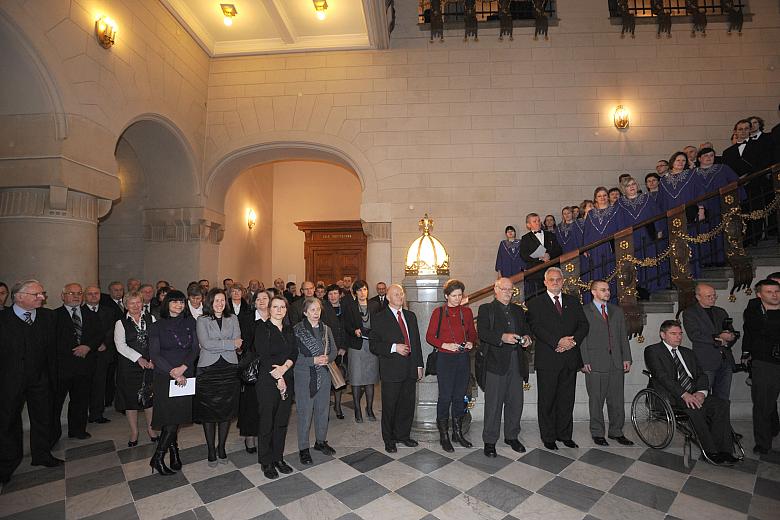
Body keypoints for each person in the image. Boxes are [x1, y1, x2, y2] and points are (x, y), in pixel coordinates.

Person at [644, 320, 738, 465]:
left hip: (694, 393)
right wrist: (684, 394)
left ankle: (725, 450)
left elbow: (701, 374)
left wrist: (702, 392)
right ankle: (711, 451)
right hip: (671, 395)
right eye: (673, 334)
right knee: (695, 409)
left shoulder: (688, 352)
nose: (678, 337)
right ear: (663, 335)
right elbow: (663, 377)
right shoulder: (652, 351)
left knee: (721, 404)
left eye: (680, 334)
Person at [0, 280, 62, 485]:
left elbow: (52, 350)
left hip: (40, 378)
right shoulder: (3, 319)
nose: (42, 298)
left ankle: (42, 454)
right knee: (9, 421)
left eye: (41, 294)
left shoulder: (48, 316)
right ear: (19, 297)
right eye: (36, 295)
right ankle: (8, 462)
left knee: (43, 416)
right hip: (10, 381)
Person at [527, 268, 589, 450]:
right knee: (547, 399)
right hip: (548, 358)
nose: (555, 282)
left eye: (558, 279)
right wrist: (557, 341)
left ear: (563, 281)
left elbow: (584, 325)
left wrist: (572, 341)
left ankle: (565, 435)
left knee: (566, 398)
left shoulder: (573, 301)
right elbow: (536, 327)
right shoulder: (535, 303)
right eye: (551, 280)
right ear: (545, 282)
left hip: (570, 357)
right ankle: (548, 436)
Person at [477, 278, 532, 457]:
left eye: (511, 290)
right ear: (496, 289)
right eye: (504, 289)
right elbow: (483, 333)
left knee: (516, 402)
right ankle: (490, 441)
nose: (508, 292)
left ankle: (512, 436)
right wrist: (502, 337)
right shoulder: (486, 309)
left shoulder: (518, 310)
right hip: (495, 363)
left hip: (517, 362)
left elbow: (526, 329)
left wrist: (527, 338)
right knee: (493, 404)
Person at [148, 290, 199, 476]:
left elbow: (195, 349)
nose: (179, 305)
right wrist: (173, 372)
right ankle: (159, 457)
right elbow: (154, 354)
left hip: (186, 374)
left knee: (177, 417)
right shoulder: (157, 325)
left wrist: (183, 368)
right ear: (166, 304)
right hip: (165, 375)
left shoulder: (190, 322)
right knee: (170, 418)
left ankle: (174, 452)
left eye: (181, 302)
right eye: (174, 302)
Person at [370, 284, 424, 453]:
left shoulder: (410, 316)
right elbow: (374, 345)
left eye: (401, 293)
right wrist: (394, 347)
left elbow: (416, 342)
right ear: (387, 297)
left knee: (407, 404)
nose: (400, 296)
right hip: (391, 369)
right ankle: (389, 439)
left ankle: (403, 435)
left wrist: (419, 364)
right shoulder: (379, 317)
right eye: (396, 294)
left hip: (410, 367)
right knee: (390, 406)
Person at [427, 279, 478, 452]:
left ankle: (457, 432)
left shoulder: (467, 312)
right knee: (445, 397)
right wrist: (445, 345)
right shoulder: (439, 312)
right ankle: (444, 435)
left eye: (459, 295)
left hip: (463, 358)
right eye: (454, 295)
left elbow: (472, 333)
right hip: (445, 359)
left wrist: (471, 342)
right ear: (446, 296)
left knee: (459, 396)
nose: (457, 299)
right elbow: (430, 336)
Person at [580, 281, 633, 446]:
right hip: (595, 363)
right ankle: (597, 433)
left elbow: (623, 336)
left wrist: (627, 358)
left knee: (617, 400)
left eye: (609, 289)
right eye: (603, 290)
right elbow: (581, 339)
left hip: (616, 361)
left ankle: (616, 431)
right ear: (593, 292)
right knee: (596, 400)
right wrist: (584, 360)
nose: (607, 292)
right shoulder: (584, 311)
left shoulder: (616, 311)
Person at [195, 288, 242, 467]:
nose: (220, 303)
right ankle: (210, 450)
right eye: (216, 300)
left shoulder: (233, 318)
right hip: (208, 370)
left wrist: (224, 345)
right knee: (209, 413)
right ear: (210, 302)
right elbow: (205, 344)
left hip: (229, 368)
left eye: (222, 300)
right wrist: (230, 344)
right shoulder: (202, 319)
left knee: (226, 412)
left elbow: (239, 341)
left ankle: (221, 447)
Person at [253, 295, 297, 478]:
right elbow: (264, 356)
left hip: (287, 378)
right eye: (276, 307)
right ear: (269, 309)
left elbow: (294, 352)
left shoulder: (288, 329)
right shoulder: (262, 328)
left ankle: (278, 457)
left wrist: (285, 368)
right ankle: (266, 461)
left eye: (283, 307)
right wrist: (279, 378)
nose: (279, 310)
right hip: (267, 381)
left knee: (281, 422)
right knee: (267, 422)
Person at [293, 297, 338, 463]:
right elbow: (294, 357)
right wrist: (313, 360)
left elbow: (334, 349)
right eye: (312, 310)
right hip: (304, 376)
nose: (316, 313)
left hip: (324, 375)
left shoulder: (326, 329)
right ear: (305, 312)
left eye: (318, 309)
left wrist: (328, 358)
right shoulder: (297, 330)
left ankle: (320, 441)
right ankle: (303, 448)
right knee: (305, 413)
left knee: (322, 411)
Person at [52, 283, 96, 443]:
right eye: (71, 293)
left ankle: (77, 430)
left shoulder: (89, 313)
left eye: (79, 293)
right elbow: (51, 341)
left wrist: (88, 346)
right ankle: (53, 433)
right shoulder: (54, 315)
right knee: (56, 403)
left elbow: (98, 334)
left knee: (81, 400)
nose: (76, 296)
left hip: (84, 365)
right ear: (63, 296)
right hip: (62, 367)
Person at [114, 291, 157, 446]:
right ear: (126, 305)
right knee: (130, 400)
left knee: (149, 398)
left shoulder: (151, 318)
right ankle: (134, 432)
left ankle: (151, 429)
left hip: (150, 364)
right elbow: (120, 345)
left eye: (138, 302)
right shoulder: (120, 323)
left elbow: (155, 340)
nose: (136, 306)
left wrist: (153, 358)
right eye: (132, 303)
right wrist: (138, 358)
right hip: (130, 365)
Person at [682, 284, 737, 402]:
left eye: (714, 296)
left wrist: (730, 338)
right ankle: (705, 420)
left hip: (725, 359)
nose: (712, 298)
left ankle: (721, 421)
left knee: (723, 397)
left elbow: (730, 331)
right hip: (706, 360)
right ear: (698, 297)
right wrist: (719, 338)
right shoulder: (690, 313)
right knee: (703, 395)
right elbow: (695, 335)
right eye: (709, 296)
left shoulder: (721, 312)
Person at [743, 279, 780, 454]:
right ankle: (763, 444)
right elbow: (759, 329)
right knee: (763, 405)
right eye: (769, 292)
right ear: (759, 295)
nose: (775, 295)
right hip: (766, 363)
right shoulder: (753, 310)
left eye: (777, 291)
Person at [691, 148, 743, 266]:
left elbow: (736, 183)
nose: (709, 158)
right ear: (699, 158)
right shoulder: (692, 173)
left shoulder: (723, 168)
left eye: (711, 155)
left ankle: (724, 258)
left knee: (723, 231)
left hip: (722, 205)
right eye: (705, 156)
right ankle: (706, 260)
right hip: (701, 207)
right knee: (704, 232)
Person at [658, 151, 704, 278]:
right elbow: (661, 203)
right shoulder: (663, 180)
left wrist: (701, 209)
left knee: (689, 243)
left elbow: (699, 192)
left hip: (688, 215)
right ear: (672, 161)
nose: (681, 163)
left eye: (684, 161)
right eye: (678, 160)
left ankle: (692, 272)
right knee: (673, 246)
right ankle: (676, 274)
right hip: (670, 218)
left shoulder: (691, 175)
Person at [616, 175, 664, 294]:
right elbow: (617, 221)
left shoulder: (647, 198)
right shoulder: (619, 203)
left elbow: (657, 214)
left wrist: (659, 230)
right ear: (623, 189)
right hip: (630, 237)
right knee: (634, 261)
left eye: (633, 184)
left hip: (648, 234)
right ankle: (638, 288)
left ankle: (653, 286)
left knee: (650, 258)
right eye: (628, 185)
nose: (631, 187)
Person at [238, 290, 271, 453]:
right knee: (251, 403)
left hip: (271, 367)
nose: (262, 301)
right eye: (259, 299)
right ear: (254, 302)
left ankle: (263, 434)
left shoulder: (276, 316)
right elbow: (244, 344)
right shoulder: (247, 318)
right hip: (253, 367)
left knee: (267, 403)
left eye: (265, 298)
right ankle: (249, 436)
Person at [344, 280, 380, 423]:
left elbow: (379, 324)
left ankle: (369, 408)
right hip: (356, 346)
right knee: (357, 379)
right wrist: (354, 331)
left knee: (370, 379)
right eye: (359, 290)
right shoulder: (350, 306)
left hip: (371, 346)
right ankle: (358, 409)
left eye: (364, 289)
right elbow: (346, 325)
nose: (362, 293)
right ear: (355, 292)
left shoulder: (374, 305)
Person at [84, 285, 115, 424]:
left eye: (96, 293)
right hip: (86, 355)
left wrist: (106, 343)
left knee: (100, 384)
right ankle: (83, 414)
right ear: (85, 296)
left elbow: (112, 329)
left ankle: (97, 414)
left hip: (103, 353)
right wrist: (92, 346)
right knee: (84, 386)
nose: (93, 296)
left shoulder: (108, 311)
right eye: (90, 294)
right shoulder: (80, 311)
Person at [582, 187, 620, 289]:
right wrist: (586, 247)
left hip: (610, 246)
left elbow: (620, 227)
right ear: (595, 199)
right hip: (595, 248)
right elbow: (587, 231)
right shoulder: (590, 213)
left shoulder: (615, 210)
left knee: (611, 271)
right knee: (597, 272)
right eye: (599, 196)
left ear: (608, 197)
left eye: (604, 195)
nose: (602, 198)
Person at [321, 284, 348, 420]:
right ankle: (324, 408)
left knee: (340, 378)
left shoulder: (346, 308)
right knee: (326, 380)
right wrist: (331, 349)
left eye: (335, 293)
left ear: (340, 294)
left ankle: (338, 406)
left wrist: (343, 347)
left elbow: (348, 328)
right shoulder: (323, 308)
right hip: (328, 349)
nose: (333, 296)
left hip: (342, 349)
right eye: (330, 294)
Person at [519, 213, 562, 298]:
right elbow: (524, 255)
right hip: (536, 274)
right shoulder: (525, 238)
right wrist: (539, 258)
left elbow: (559, 250)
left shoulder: (550, 235)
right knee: (538, 298)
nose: (538, 223)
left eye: (538, 221)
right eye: (534, 221)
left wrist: (549, 255)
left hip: (551, 272)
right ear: (528, 225)